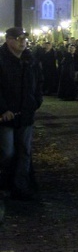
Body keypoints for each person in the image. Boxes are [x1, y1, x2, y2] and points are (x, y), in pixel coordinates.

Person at [0, 27, 43, 200]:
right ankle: (4, 182)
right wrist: (3, 109)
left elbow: (39, 83)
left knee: (25, 151)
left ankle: (21, 186)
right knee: (7, 152)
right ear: (9, 40)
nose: (23, 41)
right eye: (18, 38)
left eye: (24, 38)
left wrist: (35, 101)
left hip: (26, 113)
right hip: (6, 116)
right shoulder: (2, 59)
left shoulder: (30, 60)